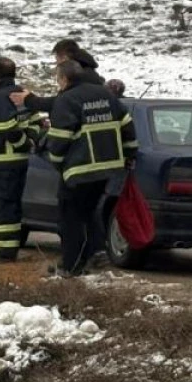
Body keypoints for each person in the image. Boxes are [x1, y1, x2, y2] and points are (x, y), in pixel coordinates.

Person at [43, 59, 138, 277]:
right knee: (88, 212)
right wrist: (129, 154)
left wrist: (57, 163)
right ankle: (95, 253)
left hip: (78, 171)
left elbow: (59, 140)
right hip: (107, 170)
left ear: (64, 79)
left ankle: (71, 266)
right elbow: (127, 126)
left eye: (58, 79)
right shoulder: (105, 95)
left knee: (70, 219)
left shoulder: (65, 100)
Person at [0, 58, 38, 262]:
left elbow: (7, 127)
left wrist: (23, 142)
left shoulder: (0, 96)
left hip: (3, 159)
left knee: (2, 206)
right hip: (20, 160)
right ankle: (11, 248)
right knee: (13, 204)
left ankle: (4, 252)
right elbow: (37, 122)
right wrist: (30, 142)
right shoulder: (23, 93)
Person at [11, 39, 105, 113]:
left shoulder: (78, 76)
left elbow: (60, 103)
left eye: (57, 59)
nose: (56, 63)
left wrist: (29, 100)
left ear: (64, 58)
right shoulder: (88, 72)